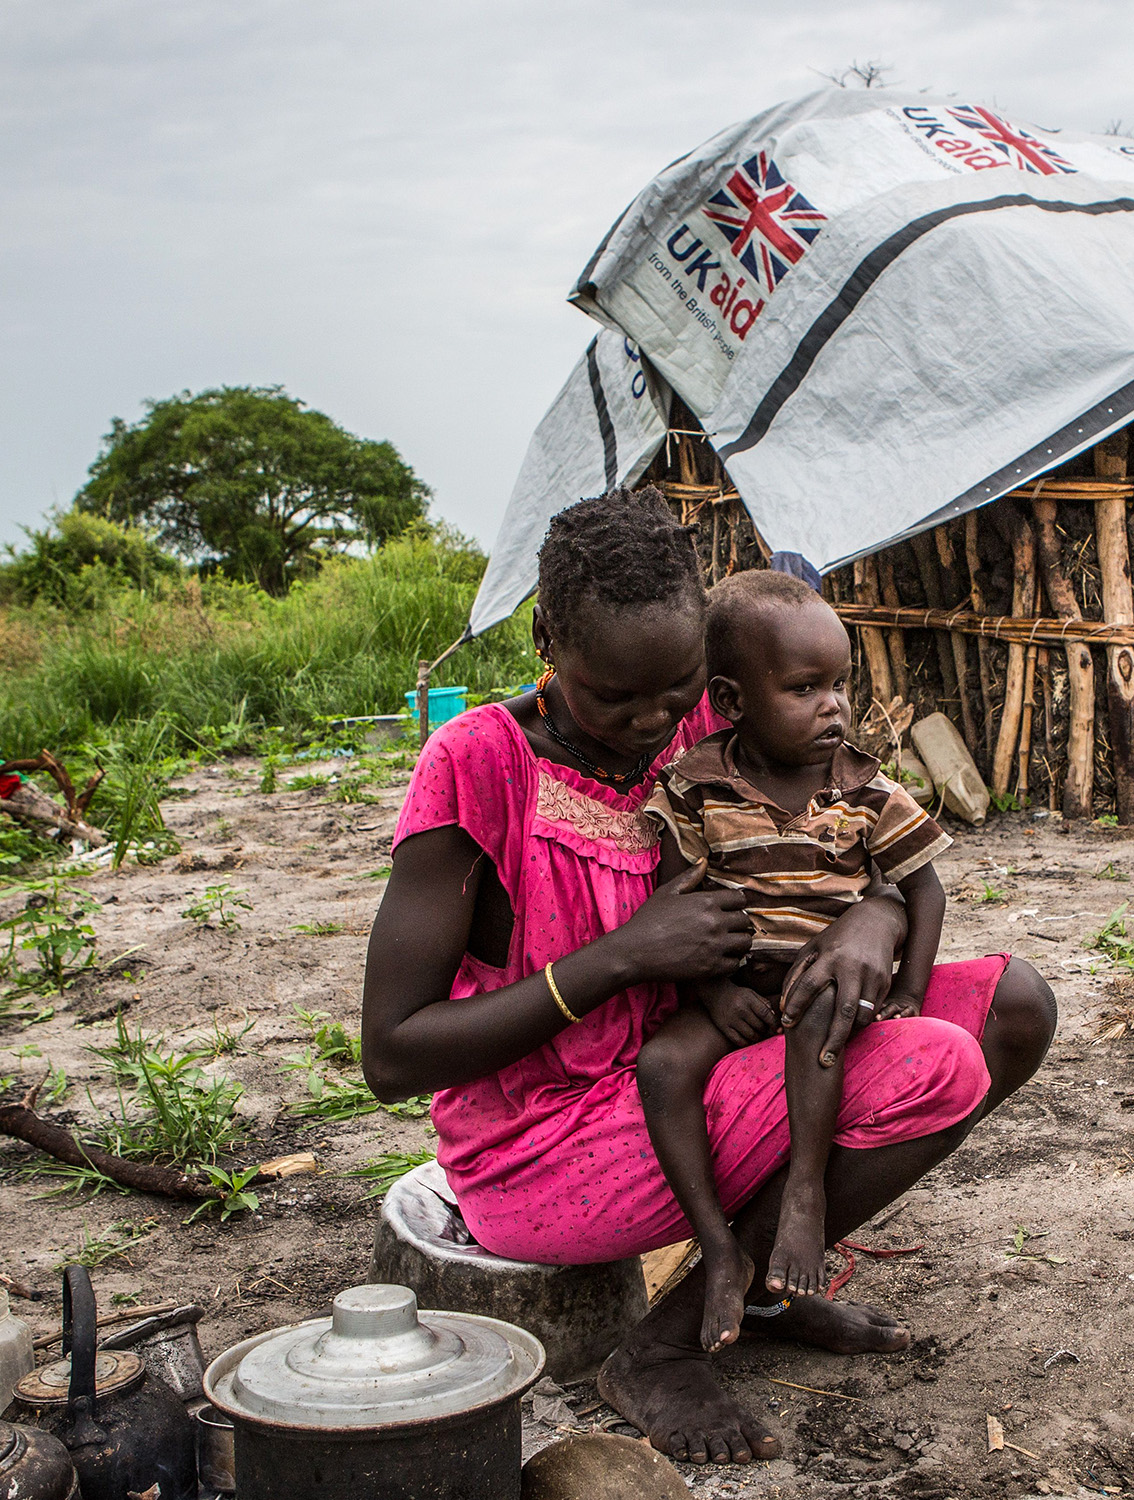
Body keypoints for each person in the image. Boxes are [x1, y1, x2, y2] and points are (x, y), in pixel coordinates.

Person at [360, 487, 1057, 1466]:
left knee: (1013, 1007)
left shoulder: (707, 731)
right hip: (547, 1144)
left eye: (675, 690)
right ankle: (658, 1352)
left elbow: (854, 839)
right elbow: (391, 1055)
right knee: (932, 1066)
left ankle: (760, 1291)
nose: (649, 724)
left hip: (723, 1047)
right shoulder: (479, 767)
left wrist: (875, 914)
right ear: (545, 638)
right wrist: (616, 961)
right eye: (613, 697)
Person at [641, 570, 952, 1353]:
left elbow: (926, 890)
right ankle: (718, 1248)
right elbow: (673, 900)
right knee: (662, 1067)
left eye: (840, 684)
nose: (834, 705)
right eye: (804, 687)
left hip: (820, 981)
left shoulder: (862, 787)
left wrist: (910, 990)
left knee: (823, 1012)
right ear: (734, 700)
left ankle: (805, 1198)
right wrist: (712, 996)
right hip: (736, 988)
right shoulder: (697, 788)